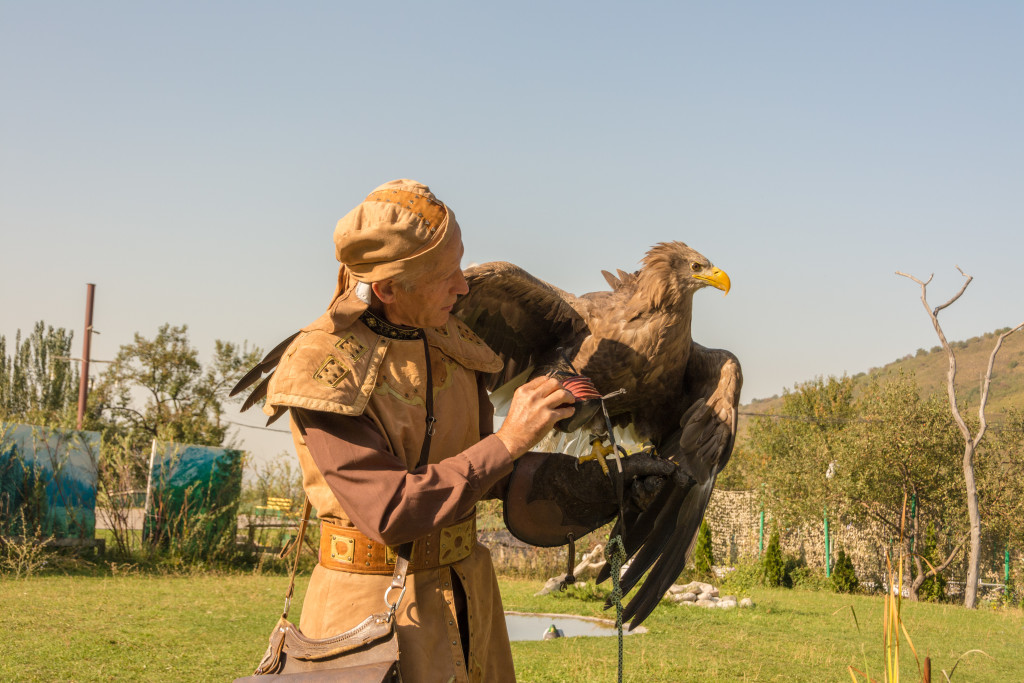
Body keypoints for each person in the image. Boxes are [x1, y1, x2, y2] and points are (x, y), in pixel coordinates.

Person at [247, 179, 674, 682]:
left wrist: (611, 483)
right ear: (387, 287)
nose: (463, 286)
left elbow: (489, 476)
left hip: (469, 600)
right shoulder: (325, 368)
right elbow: (389, 510)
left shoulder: (458, 347)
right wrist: (511, 438)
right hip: (369, 620)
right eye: (445, 274)